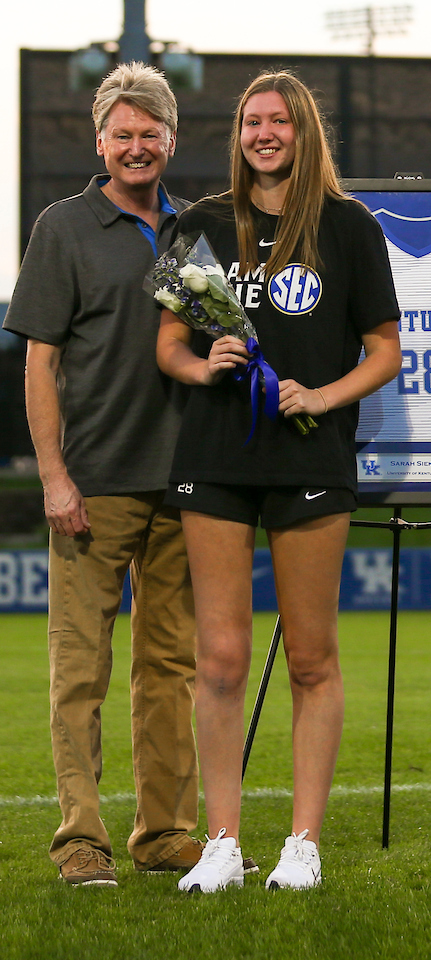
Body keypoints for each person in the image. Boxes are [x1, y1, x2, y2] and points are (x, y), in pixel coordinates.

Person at [156, 70, 401, 892]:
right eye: (250, 121)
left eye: (278, 121)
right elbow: (167, 345)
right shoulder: (199, 224)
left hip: (309, 458)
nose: (263, 133)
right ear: (239, 134)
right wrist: (204, 365)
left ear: (303, 130)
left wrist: (321, 396)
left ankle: (304, 844)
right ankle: (221, 843)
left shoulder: (349, 226)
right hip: (216, 457)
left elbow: (386, 351)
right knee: (221, 659)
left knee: (311, 657)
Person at [1, 63, 206, 887]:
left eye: (149, 132)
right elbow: (39, 365)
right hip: (92, 487)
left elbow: (212, 345)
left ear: (170, 139)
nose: (136, 146)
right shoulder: (62, 226)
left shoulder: (193, 231)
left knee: (171, 671)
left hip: (184, 487)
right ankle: (80, 839)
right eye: (122, 134)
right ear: (100, 142)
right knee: (80, 672)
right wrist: (54, 478)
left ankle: (165, 834)